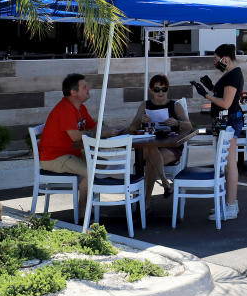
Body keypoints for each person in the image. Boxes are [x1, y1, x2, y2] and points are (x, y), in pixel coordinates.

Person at [38, 73, 117, 219]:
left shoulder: (80, 108)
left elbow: (94, 128)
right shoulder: (65, 109)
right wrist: (103, 132)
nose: (88, 89)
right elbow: (75, 136)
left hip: (69, 153)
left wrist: (112, 130)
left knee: (102, 165)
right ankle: (83, 215)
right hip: (54, 157)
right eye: (84, 87)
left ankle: (91, 207)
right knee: (91, 172)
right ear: (73, 92)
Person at [192, 43, 243, 221]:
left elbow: (226, 103)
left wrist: (206, 95)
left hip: (229, 121)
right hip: (225, 121)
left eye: (216, 60)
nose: (215, 63)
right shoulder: (230, 74)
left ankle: (231, 206)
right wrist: (212, 87)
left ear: (225, 59)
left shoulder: (233, 75)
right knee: (226, 164)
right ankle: (228, 204)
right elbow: (223, 96)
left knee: (229, 164)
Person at [126, 74, 193, 209]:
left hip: (170, 147)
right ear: (151, 90)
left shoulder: (175, 105)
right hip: (148, 146)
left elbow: (189, 126)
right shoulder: (145, 105)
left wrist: (177, 122)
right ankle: (165, 183)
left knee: (151, 161)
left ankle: (146, 203)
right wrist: (140, 120)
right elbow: (132, 128)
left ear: (168, 90)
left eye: (164, 89)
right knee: (151, 149)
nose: (161, 92)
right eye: (157, 89)